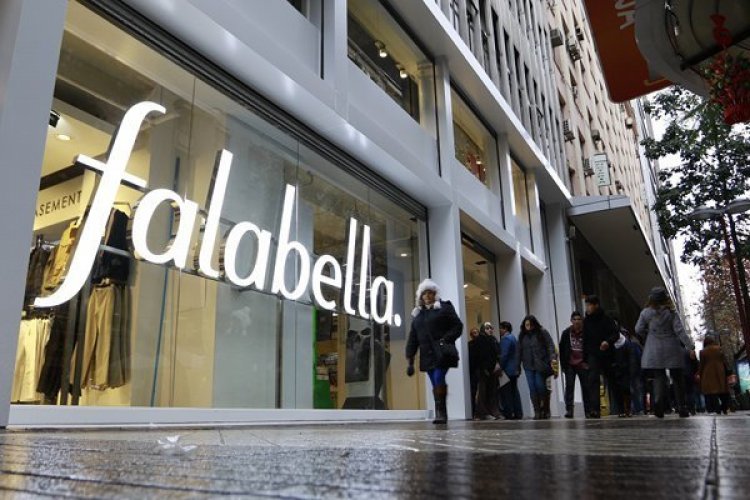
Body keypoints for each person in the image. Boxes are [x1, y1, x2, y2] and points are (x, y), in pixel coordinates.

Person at [406, 279, 464, 424]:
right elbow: (413, 338)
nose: (427, 296)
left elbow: (457, 326)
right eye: (424, 293)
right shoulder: (418, 315)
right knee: (434, 382)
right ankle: (440, 410)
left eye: (430, 292)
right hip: (427, 355)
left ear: (435, 294)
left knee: (438, 377)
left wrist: (446, 339)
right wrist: (410, 359)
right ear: (421, 296)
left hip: (442, 352)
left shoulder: (444, 308)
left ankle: (441, 413)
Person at [635, 287, 696, 418]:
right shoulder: (671, 313)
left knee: (659, 376)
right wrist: (690, 346)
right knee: (677, 377)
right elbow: (679, 331)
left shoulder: (645, 313)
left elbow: (638, 329)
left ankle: (658, 403)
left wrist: (649, 335)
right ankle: (682, 407)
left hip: (654, 347)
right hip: (671, 347)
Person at [582, 295, 620, 418]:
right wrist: (584, 358)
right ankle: (595, 409)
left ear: (596, 305)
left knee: (612, 380)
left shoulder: (606, 319)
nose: (587, 308)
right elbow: (585, 340)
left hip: (607, 354)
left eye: (589, 305)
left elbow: (615, 334)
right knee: (593, 380)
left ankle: (619, 407)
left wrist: (608, 342)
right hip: (593, 354)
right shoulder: (586, 321)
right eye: (586, 305)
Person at [518, 315, 557, 420]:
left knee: (540, 386)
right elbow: (519, 351)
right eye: (526, 324)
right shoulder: (522, 336)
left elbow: (550, 346)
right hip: (528, 365)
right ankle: (537, 411)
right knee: (532, 387)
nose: (528, 326)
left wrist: (552, 358)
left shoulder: (542, 332)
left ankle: (545, 408)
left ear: (534, 324)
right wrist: (517, 366)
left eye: (530, 324)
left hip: (541, 364)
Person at [559, 311, 589, 418]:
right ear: (571, 321)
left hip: (582, 363)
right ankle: (569, 410)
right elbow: (562, 349)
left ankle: (588, 410)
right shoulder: (566, 333)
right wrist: (563, 365)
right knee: (569, 386)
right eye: (574, 319)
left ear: (582, 321)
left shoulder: (586, 332)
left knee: (586, 387)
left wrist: (587, 362)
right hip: (570, 364)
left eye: (579, 319)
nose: (577, 321)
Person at [473, 322, 502, 420]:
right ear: (483, 329)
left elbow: (498, 353)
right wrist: (483, 368)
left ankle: (493, 412)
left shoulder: (493, 340)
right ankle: (481, 413)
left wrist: (497, 364)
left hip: (493, 370)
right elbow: (478, 357)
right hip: (483, 371)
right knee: (482, 393)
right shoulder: (479, 340)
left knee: (492, 392)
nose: (490, 330)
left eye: (491, 328)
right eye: (487, 328)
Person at [699, 335, 731, 415]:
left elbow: (701, 365)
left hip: (708, 373)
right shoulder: (719, 349)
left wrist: (700, 374)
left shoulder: (703, 352)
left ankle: (717, 409)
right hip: (720, 372)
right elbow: (725, 360)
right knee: (723, 390)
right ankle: (725, 408)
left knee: (713, 393)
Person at [497, 321, 523, 419]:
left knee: (507, 393)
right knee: (514, 391)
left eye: (500, 328)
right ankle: (518, 413)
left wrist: (500, 367)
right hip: (514, 369)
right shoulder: (513, 338)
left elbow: (504, 355)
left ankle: (509, 413)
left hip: (507, 370)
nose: (499, 330)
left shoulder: (506, 339)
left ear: (505, 329)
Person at [467, 327, 481, 419]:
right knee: (473, 392)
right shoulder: (469, 345)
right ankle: (473, 412)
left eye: (476, 332)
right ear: (471, 335)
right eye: (473, 333)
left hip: (481, 370)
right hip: (473, 371)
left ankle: (482, 412)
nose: (475, 334)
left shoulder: (483, 344)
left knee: (482, 392)